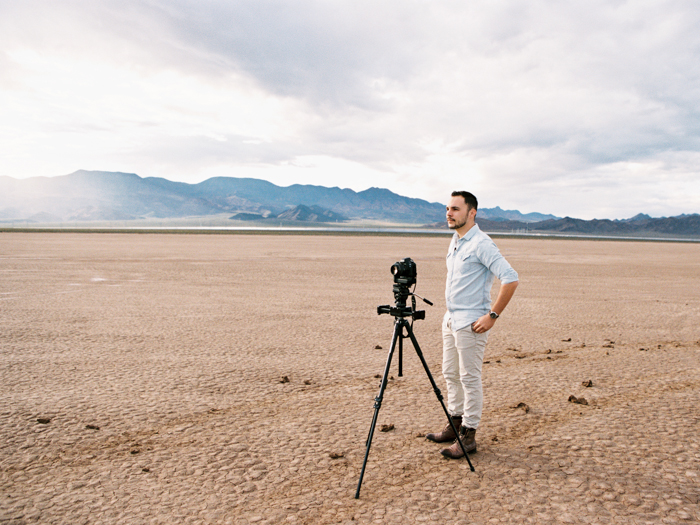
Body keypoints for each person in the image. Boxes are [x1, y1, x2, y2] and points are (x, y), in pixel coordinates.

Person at [426, 191, 519, 458]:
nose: (449, 213)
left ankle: (468, 436)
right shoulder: (455, 241)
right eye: (447, 208)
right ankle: (454, 424)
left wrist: (492, 315)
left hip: (472, 323)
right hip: (451, 318)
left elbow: (510, 279)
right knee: (450, 373)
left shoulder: (482, 243)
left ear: (471, 213)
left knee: (469, 377)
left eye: (455, 209)